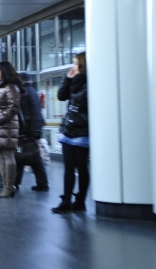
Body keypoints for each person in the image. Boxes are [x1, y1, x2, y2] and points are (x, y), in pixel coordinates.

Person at [52, 53, 90, 213]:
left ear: (83, 65)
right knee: (68, 167)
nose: (72, 67)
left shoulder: (89, 82)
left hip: (82, 130)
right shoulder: (75, 81)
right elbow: (61, 96)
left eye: (75, 64)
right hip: (69, 129)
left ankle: (80, 200)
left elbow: (78, 99)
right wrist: (67, 79)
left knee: (81, 167)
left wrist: (74, 82)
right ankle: (66, 200)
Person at [0, 61, 22, 198]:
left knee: (8, 155)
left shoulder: (11, 87)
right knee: (0, 155)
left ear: (3, 71)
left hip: (7, 126)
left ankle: (9, 186)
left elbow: (13, 108)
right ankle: (6, 185)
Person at [15, 72, 48, 191]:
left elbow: (25, 115)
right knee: (33, 157)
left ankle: (15, 183)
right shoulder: (32, 91)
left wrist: (22, 131)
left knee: (22, 156)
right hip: (36, 128)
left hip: (29, 130)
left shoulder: (24, 92)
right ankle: (42, 183)